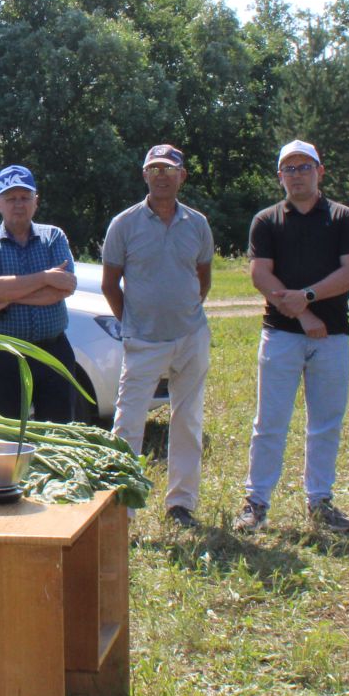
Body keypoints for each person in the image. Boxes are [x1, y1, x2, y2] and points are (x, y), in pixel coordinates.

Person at [234, 140, 349, 535]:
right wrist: (305, 314)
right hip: (281, 336)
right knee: (269, 422)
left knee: (325, 422)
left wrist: (307, 296)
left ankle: (320, 501)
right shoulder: (267, 220)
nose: (296, 175)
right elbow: (261, 275)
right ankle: (256, 503)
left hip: (333, 337)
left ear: (320, 172)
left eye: (304, 167)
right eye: (288, 169)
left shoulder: (342, 218)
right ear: (280, 178)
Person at [102, 145, 213, 529]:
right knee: (128, 421)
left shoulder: (197, 223)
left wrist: (183, 311)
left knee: (188, 421)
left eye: (169, 169)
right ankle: (122, 506)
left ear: (182, 176)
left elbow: (203, 277)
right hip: (143, 340)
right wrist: (133, 322)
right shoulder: (124, 224)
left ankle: (181, 504)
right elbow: (110, 284)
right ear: (144, 176)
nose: (162, 175)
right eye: (155, 169)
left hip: (191, 336)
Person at [0, 165, 81, 425]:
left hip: (54, 350)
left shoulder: (53, 236)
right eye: (10, 199)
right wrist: (44, 277)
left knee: (58, 432)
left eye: (24, 197)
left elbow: (63, 288)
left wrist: (7, 299)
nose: (18, 205)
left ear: (36, 201)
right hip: (4, 356)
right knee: (8, 435)